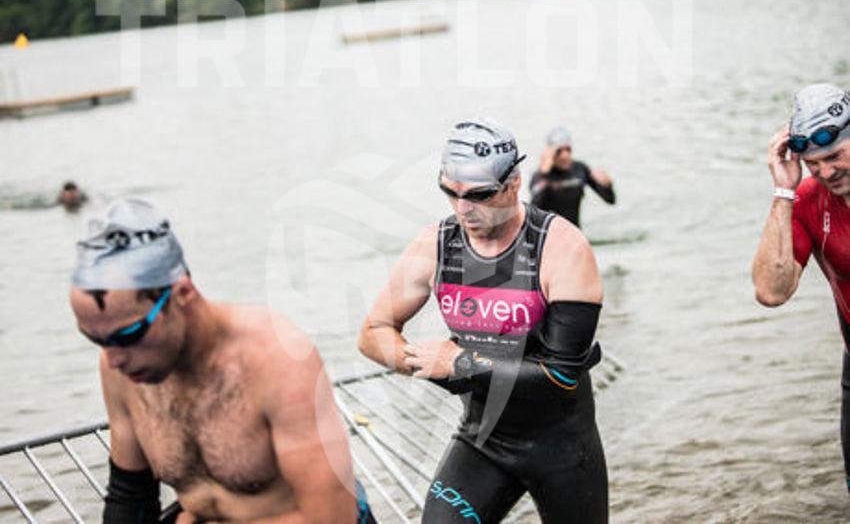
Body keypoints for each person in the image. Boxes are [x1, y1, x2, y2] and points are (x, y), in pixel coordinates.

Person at [358, 119, 608, 523]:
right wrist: (423, 362)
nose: (463, 208)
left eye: (480, 194)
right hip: (483, 442)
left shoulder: (563, 248)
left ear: (514, 183)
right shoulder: (435, 245)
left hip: (562, 447)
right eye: (450, 192)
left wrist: (460, 365)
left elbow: (561, 376)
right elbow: (373, 333)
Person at [68, 199, 374, 523]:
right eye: (96, 340)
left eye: (129, 335)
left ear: (182, 294)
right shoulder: (121, 368)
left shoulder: (278, 359)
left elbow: (333, 518)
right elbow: (130, 498)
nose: (113, 358)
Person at [752, 83, 850, 491]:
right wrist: (784, 191)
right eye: (813, 164)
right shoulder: (809, 198)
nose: (825, 173)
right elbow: (771, 291)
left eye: (834, 156)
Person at [529, 126, 615, 228]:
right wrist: (544, 174)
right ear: (550, 153)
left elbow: (610, 200)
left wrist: (608, 185)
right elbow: (533, 215)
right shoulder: (539, 176)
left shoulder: (580, 169)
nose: (565, 155)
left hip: (575, 232)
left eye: (568, 149)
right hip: (549, 235)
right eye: (559, 151)